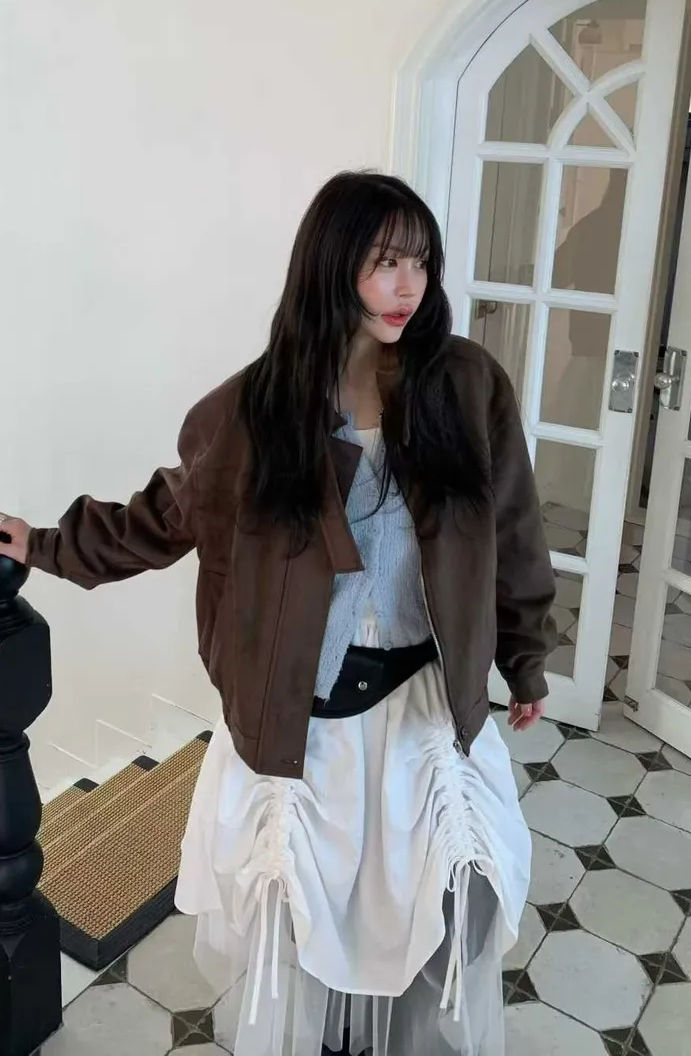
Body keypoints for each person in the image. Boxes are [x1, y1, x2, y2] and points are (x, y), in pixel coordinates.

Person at [0, 171, 556, 1056]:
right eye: (384, 262)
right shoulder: (255, 410)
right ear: (332, 266)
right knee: (309, 918)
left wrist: (525, 657)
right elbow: (159, 519)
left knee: (442, 904)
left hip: (421, 708)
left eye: (419, 262)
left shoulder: (467, 386)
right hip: (305, 722)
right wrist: (45, 543)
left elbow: (515, 530)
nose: (407, 286)